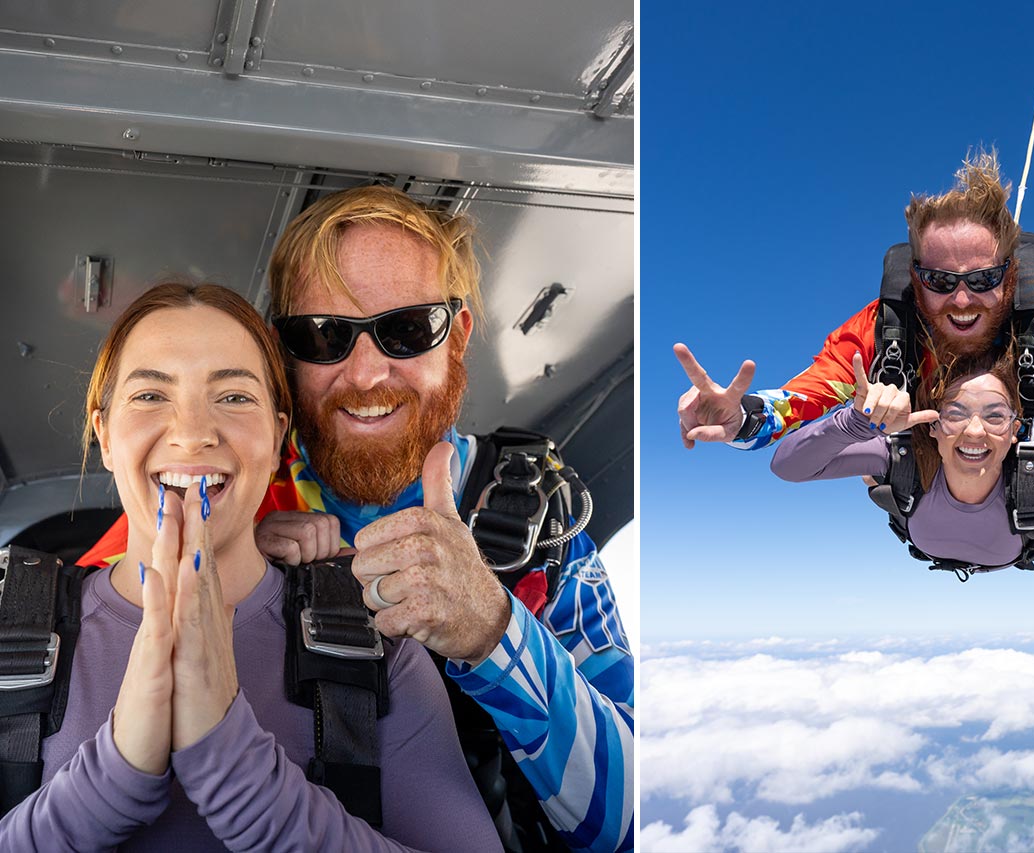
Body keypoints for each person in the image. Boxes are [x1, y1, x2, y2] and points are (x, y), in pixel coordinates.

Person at [1, 283, 500, 850]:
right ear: (105, 436)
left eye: (234, 397)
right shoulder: (6, 632)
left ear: (277, 433)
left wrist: (237, 770)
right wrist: (113, 775)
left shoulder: (381, 649)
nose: (192, 433)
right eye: (149, 396)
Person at [232, 186, 633, 851]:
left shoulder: (542, 532)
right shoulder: (232, 499)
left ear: (457, 339)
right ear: (286, 355)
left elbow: (627, 825)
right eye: (323, 335)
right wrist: (226, 567)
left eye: (406, 329)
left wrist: (493, 633)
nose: (364, 374)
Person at [675, 150, 1034, 492]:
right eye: (941, 281)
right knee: (876, 441)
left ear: (1011, 277)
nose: (962, 299)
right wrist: (742, 418)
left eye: (984, 279)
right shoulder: (879, 332)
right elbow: (802, 400)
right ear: (916, 277)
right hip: (932, 476)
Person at [770, 347, 1034, 572]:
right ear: (931, 425)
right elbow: (787, 466)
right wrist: (855, 424)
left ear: (1016, 430)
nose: (975, 431)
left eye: (995, 415)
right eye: (955, 414)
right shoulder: (903, 454)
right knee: (883, 466)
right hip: (928, 500)